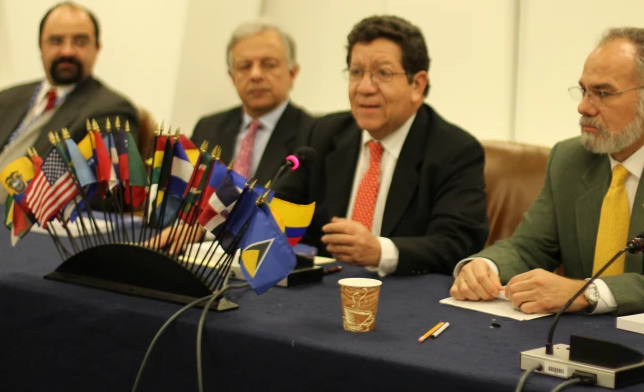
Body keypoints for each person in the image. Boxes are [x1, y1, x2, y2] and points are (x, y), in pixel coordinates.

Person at [451, 27, 644, 315]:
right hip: (582, 336)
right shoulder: (569, 158)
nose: (583, 107)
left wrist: (587, 292)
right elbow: (530, 246)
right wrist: (485, 267)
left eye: (602, 93)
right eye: (584, 90)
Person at [276, 15, 489, 276]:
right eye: (356, 72)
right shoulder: (324, 134)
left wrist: (381, 251)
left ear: (417, 85)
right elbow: (282, 211)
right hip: (323, 288)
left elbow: (458, 244)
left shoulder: (455, 150)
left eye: (382, 73)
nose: (364, 87)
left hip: (406, 298)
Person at [0, 0, 138, 203]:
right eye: (56, 41)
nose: (67, 51)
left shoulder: (111, 110)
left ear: (97, 48)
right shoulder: (9, 98)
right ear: (40, 46)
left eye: (80, 42)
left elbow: (107, 191)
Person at [191, 19, 314, 182]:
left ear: (292, 73)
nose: (255, 75)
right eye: (245, 66)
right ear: (232, 77)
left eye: (268, 64)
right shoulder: (207, 129)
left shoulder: (311, 135)